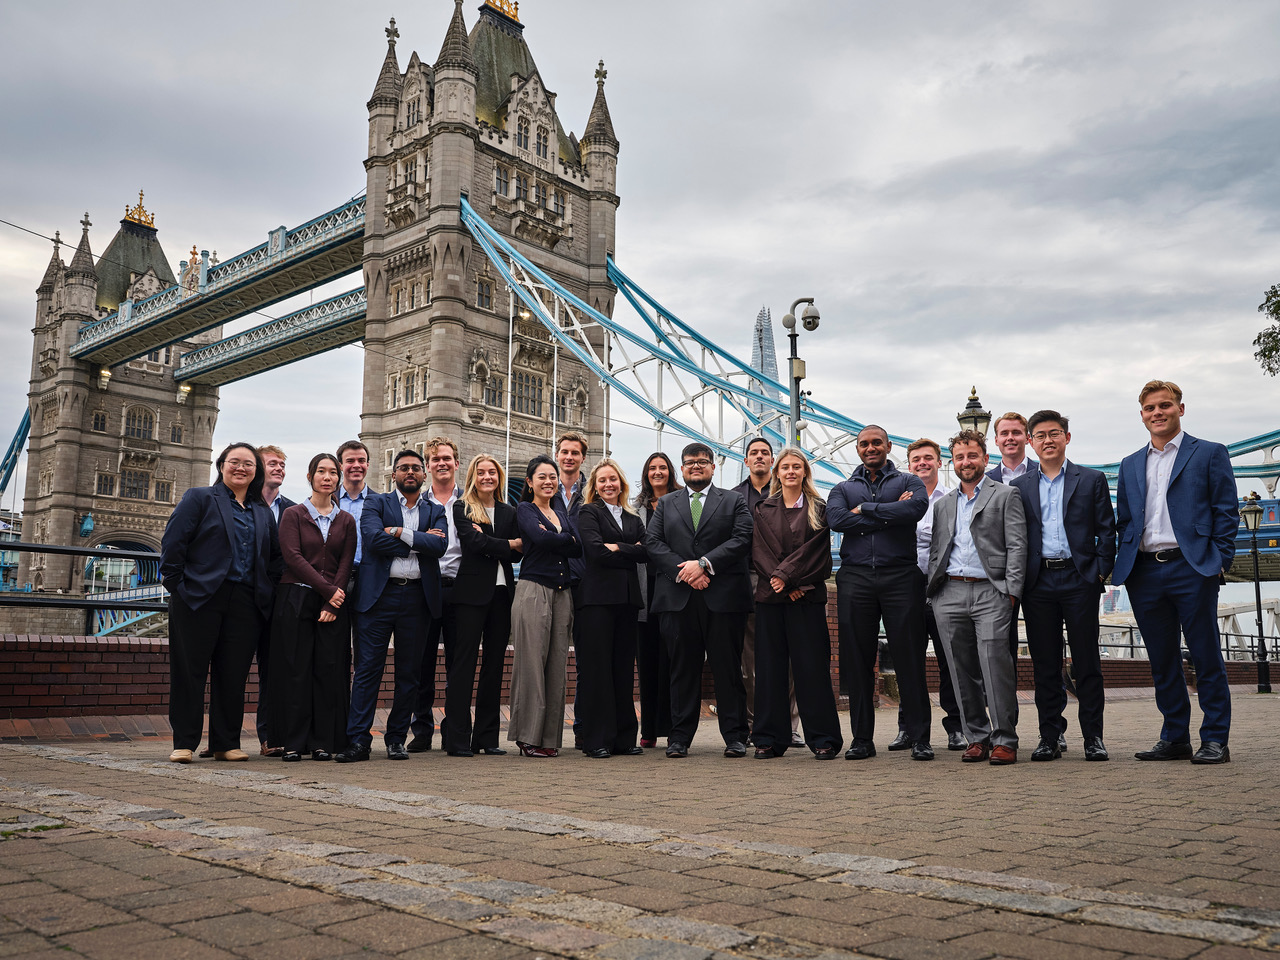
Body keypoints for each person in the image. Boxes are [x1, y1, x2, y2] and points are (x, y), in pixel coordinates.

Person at [1113, 381, 1238, 765]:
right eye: (1150, 408)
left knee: (1205, 655)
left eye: (1165, 405)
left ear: (1180, 409)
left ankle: (1215, 738)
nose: (1157, 413)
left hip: (1192, 566)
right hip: (1145, 571)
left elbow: (1226, 510)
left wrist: (1218, 560)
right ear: (1142, 415)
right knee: (1161, 659)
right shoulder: (1130, 463)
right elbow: (1126, 520)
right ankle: (1175, 737)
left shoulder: (1210, 453)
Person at [160, 442, 282, 763]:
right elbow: (173, 545)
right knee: (190, 673)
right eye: (234, 462)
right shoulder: (199, 498)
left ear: (256, 472)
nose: (241, 468)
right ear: (222, 465)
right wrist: (179, 589)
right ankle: (184, 742)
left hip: (245, 602)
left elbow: (274, 559)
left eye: (249, 464)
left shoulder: (262, 511)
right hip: (198, 599)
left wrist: (264, 594)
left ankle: (225, 743)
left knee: (233, 675)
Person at [1012, 411, 1116, 762]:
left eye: (1054, 433)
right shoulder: (1019, 486)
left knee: (1086, 661)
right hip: (1038, 582)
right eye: (1039, 435)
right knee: (1044, 664)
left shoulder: (1091, 479)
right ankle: (1050, 737)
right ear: (1031, 442)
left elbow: (1107, 529)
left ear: (1067, 438)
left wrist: (1099, 573)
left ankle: (1093, 738)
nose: (1047, 440)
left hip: (1079, 578)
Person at [827, 425, 934, 761]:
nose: (870, 448)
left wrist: (866, 510)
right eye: (864, 444)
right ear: (857, 449)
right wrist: (890, 513)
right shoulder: (842, 488)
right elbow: (836, 520)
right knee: (857, 661)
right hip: (855, 576)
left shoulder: (910, 482)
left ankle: (920, 738)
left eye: (876, 443)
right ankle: (862, 739)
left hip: (901, 574)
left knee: (910, 658)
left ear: (888, 446)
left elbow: (915, 510)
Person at [336, 450, 447, 762]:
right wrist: (419, 540)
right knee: (368, 670)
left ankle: (396, 739)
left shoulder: (436, 509)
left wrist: (399, 532)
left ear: (424, 475)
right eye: (403, 468)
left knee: (408, 674)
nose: (409, 472)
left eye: (415, 468)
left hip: (417, 599)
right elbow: (373, 540)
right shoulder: (376, 503)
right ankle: (358, 741)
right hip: (377, 597)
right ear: (394, 474)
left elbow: (439, 546)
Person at [646, 442, 753, 758]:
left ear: (713, 467)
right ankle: (679, 738)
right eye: (690, 462)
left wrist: (704, 564)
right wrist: (686, 571)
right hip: (678, 598)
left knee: (728, 669)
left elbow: (742, 539)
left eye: (702, 461)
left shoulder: (734, 501)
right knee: (682, 670)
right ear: (681, 468)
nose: (696, 466)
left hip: (722, 599)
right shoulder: (666, 504)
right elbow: (653, 542)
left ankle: (735, 736)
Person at [927, 430, 1027, 765]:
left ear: (986, 458)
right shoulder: (943, 505)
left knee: (995, 665)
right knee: (959, 668)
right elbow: (938, 549)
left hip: (991, 591)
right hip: (950, 592)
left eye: (972, 456)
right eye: (959, 457)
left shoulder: (1006, 495)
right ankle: (976, 738)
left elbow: (1017, 545)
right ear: (952, 463)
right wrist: (935, 592)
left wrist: (1011, 592)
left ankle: (1005, 740)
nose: (966, 462)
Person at [749, 449, 841, 760]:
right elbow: (760, 551)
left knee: (812, 669)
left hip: (807, 597)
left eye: (796, 467)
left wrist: (790, 580)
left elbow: (820, 555)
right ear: (777, 473)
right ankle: (769, 739)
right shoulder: (762, 508)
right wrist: (783, 582)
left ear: (805, 473)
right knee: (770, 670)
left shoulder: (819, 509)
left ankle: (823, 739)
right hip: (772, 600)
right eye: (785, 467)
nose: (790, 471)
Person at [269, 453, 357, 761]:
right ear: (310, 477)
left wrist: (335, 599)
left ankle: (323, 742)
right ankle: (293, 742)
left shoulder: (345, 520)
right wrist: (329, 591)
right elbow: (292, 557)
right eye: (321, 471)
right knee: (296, 670)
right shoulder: (293, 514)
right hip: (296, 597)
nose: (328, 477)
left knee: (328, 672)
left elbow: (346, 561)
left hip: (332, 603)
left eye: (333, 472)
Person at [509, 455, 582, 757]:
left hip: (562, 594)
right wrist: (562, 538)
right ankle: (527, 737)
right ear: (529, 482)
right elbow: (540, 540)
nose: (549, 481)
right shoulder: (525, 509)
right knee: (530, 665)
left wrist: (558, 538)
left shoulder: (561, 512)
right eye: (542, 476)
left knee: (556, 668)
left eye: (553, 476)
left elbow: (578, 545)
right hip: (533, 591)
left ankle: (548, 738)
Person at [448, 454, 521, 756]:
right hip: (470, 594)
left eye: (492, 472)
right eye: (481, 472)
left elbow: (519, 552)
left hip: (503, 596)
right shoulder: (461, 507)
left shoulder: (509, 511)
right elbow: (473, 544)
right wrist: (506, 544)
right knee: (463, 666)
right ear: (473, 477)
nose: (487, 477)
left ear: (499, 477)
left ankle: (487, 738)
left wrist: (495, 543)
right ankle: (457, 740)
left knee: (494, 666)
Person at [576, 459, 647, 758]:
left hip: (628, 600)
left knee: (622, 670)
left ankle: (623, 738)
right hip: (597, 601)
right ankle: (596, 740)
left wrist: (617, 547)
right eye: (602, 480)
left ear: (621, 483)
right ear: (595, 485)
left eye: (613, 479)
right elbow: (594, 551)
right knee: (597, 670)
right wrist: (628, 550)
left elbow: (647, 553)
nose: (609, 484)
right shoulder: (588, 512)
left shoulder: (633, 517)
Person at [733, 437, 801, 746]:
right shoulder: (731, 498)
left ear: (772, 461)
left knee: (790, 658)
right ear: (745, 461)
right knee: (751, 663)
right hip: (748, 582)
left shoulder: (790, 491)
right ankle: (753, 724)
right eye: (753, 453)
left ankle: (791, 726)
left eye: (765, 453)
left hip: (787, 581)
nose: (759, 457)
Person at [901, 438, 966, 752]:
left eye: (928, 458)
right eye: (916, 459)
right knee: (907, 662)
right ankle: (906, 729)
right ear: (909, 464)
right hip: (905, 592)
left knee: (949, 662)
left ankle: (956, 728)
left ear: (940, 462)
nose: (922, 463)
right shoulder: (898, 499)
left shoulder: (953, 500)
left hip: (944, 590)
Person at [408, 437, 464, 753]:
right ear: (428, 467)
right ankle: (422, 730)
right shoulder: (418, 503)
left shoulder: (469, 502)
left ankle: (454, 731)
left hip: (459, 589)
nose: (441, 463)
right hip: (425, 588)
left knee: (458, 665)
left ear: (456, 462)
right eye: (435, 459)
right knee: (422, 663)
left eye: (446, 458)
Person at [632, 451, 680, 748]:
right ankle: (648, 728)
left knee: (674, 662)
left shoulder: (681, 502)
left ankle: (676, 728)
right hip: (643, 590)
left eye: (662, 467)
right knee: (646, 661)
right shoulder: (634, 507)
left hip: (672, 587)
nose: (657, 472)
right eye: (652, 468)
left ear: (670, 471)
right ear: (646, 473)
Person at [253, 444, 296, 758]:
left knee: (274, 672)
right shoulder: (241, 504)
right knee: (229, 668)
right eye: (272, 463)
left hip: (278, 600)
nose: (279, 468)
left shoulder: (293, 510)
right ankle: (219, 740)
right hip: (243, 599)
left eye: (282, 464)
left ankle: (269, 736)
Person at [985, 413, 1038, 666]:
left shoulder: (1045, 472)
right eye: (1004, 433)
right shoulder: (984, 481)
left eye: (1016, 433)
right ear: (995, 440)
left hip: (1041, 572)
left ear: (1027, 438)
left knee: (1045, 647)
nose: (1010, 438)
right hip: (999, 575)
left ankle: (1050, 706)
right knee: (1002, 648)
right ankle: (1006, 706)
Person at [555, 432, 588, 745]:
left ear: (582, 458)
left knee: (585, 661)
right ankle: (548, 731)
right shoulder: (543, 489)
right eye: (564, 452)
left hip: (584, 582)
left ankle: (582, 729)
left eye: (575, 453)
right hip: (551, 582)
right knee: (550, 658)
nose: (569, 457)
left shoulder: (592, 492)